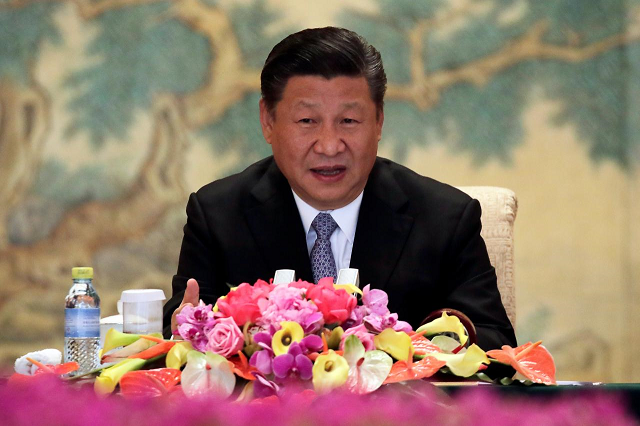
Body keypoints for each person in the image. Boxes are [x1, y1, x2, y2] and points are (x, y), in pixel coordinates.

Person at [163, 27, 516, 350]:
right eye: (307, 121)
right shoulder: (218, 215)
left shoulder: (445, 217)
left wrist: (402, 347)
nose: (330, 146)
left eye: (349, 121)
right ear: (268, 121)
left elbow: (494, 342)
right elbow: (179, 334)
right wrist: (188, 331)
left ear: (378, 121)